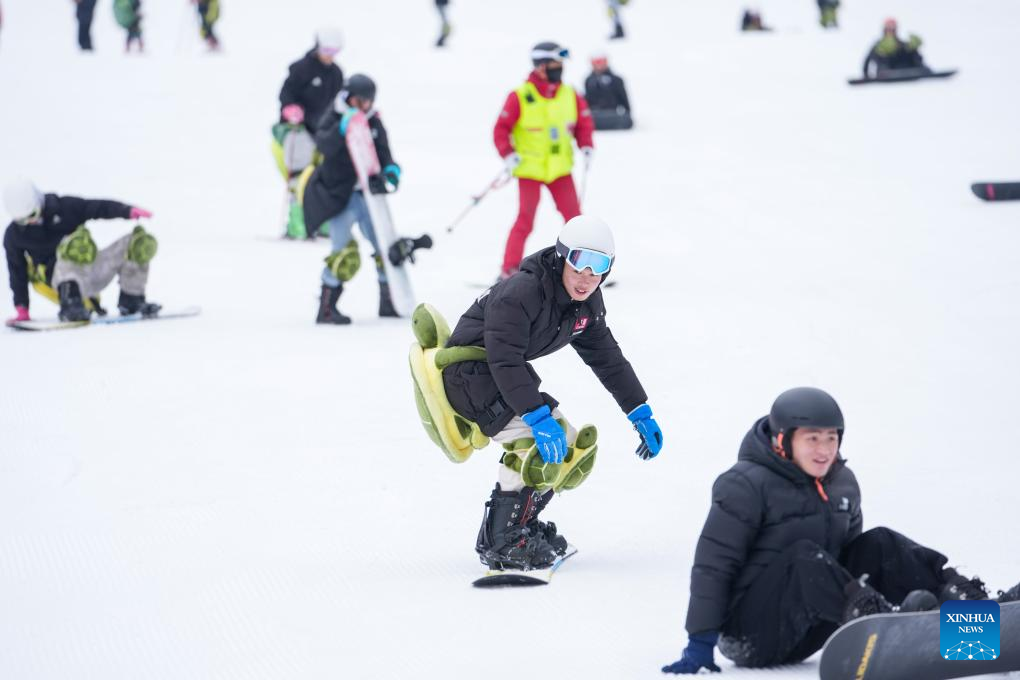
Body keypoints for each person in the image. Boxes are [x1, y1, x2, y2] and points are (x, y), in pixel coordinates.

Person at [662, 387, 1020, 673]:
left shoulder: (842, 483)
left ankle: (977, 619)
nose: (824, 450)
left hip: (813, 624)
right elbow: (713, 565)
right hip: (751, 635)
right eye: (812, 439)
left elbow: (850, 561)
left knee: (880, 542)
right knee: (805, 556)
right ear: (782, 440)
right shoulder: (744, 485)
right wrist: (700, 642)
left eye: (831, 439)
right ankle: (878, 622)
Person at [439, 215, 663, 570]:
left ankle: (521, 525)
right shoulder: (522, 293)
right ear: (561, 258)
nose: (586, 278)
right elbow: (504, 358)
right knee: (534, 444)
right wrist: (536, 415)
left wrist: (639, 410)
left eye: (598, 268)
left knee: (566, 444)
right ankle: (502, 540)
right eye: (579, 264)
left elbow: (608, 359)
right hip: (468, 376)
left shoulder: (584, 305)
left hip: (501, 378)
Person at [303, 75, 402, 324]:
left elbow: (384, 153)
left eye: (367, 102)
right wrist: (341, 129)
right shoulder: (335, 115)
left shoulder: (374, 121)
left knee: (383, 246)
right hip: (339, 196)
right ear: (348, 97)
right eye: (359, 101)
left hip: (367, 196)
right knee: (343, 251)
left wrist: (390, 171)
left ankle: (389, 301)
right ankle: (327, 307)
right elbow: (323, 146)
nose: (363, 106)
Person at [493, 41, 594, 281]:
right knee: (525, 220)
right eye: (555, 64)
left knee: (575, 220)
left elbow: (583, 123)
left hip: (560, 169)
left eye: (561, 64)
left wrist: (586, 144)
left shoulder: (570, 95)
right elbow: (500, 129)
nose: (560, 68)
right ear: (541, 66)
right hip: (530, 170)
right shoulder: (520, 96)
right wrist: (508, 153)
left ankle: (585, 266)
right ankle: (509, 269)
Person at [3, 178, 159, 324]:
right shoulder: (14, 235)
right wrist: (22, 308)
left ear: (39, 201)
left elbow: (98, 207)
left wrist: (127, 211)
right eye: (21, 220)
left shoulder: (65, 207)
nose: (29, 221)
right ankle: (71, 305)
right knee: (69, 249)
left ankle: (131, 300)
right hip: (60, 281)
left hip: (92, 271)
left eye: (32, 215)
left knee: (137, 243)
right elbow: (17, 271)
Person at [275, 28, 345, 238]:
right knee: (300, 175)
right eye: (326, 50)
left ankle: (322, 221)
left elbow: (339, 101)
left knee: (324, 177)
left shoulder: (336, 74)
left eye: (334, 51)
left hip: (323, 132)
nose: (329, 56)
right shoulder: (302, 68)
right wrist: (290, 108)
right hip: (299, 128)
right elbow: (286, 92)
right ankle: (297, 222)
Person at [583, 52, 633, 131]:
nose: (599, 65)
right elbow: (586, 101)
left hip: (612, 114)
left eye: (601, 61)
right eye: (596, 62)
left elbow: (624, 99)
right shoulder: (589, 80)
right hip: (595, 115)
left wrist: (628, 114)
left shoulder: (616, 80)